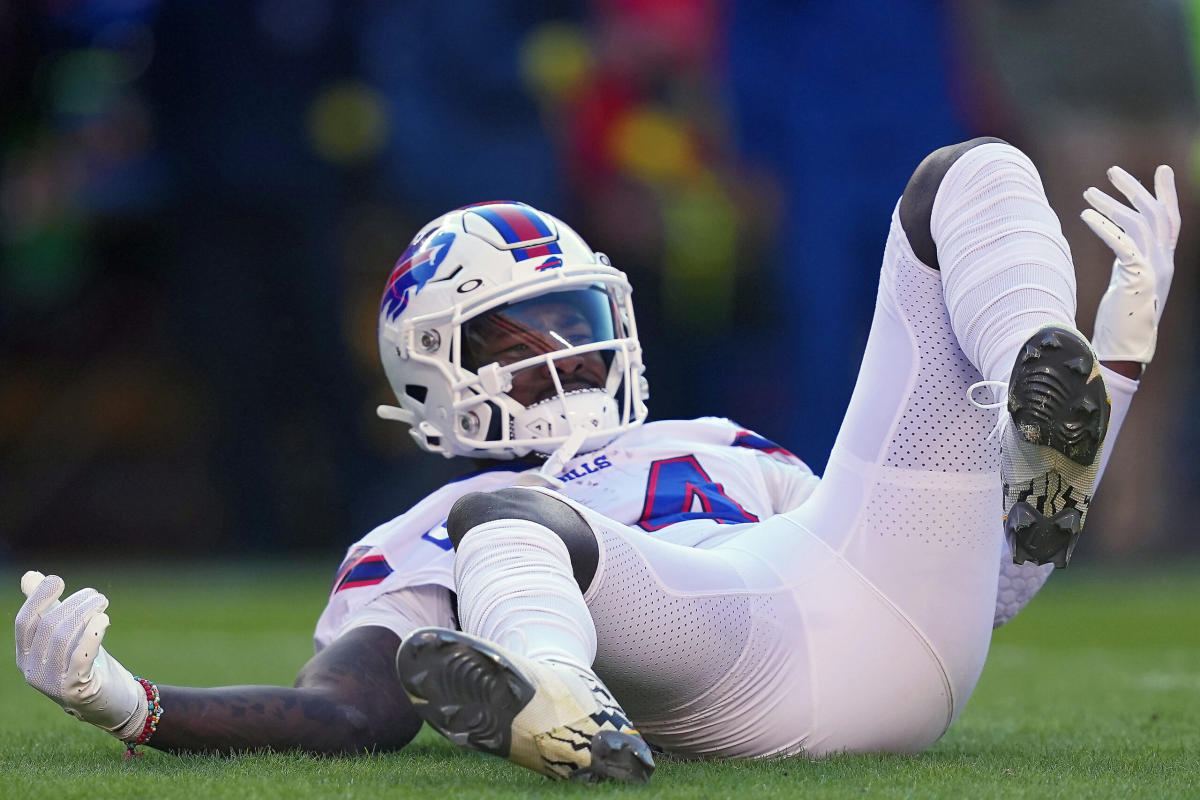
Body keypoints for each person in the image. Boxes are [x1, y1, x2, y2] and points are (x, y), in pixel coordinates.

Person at [14, 139, 1179, 782]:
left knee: (960, 175)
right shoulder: (434, 519)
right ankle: (558, 694)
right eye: (517, 336)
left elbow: (987, 582)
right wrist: (138, 704)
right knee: (509, 520)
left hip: (844, 591)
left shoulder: (712, 441)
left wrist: (1108, 376)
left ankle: (1039, 352)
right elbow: (353, 709)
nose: (564, 354)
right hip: (735, 662)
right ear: (435, 373)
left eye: (573, 318)